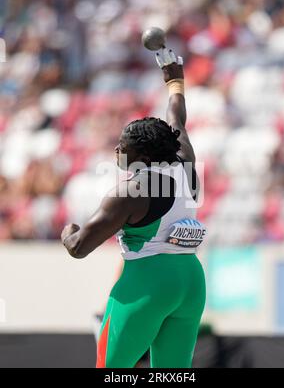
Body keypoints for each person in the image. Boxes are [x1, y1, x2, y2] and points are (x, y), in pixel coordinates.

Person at [61, 49, 206, 368]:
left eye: (123, 147)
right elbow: (176, 118)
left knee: (111, 370)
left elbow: (79, 248)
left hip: (147, 283)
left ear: (140, 156)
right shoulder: (184, 159)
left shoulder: (129, 191)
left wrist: (68, 231)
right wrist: (175, 81)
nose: (116, 150)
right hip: (191, 281)